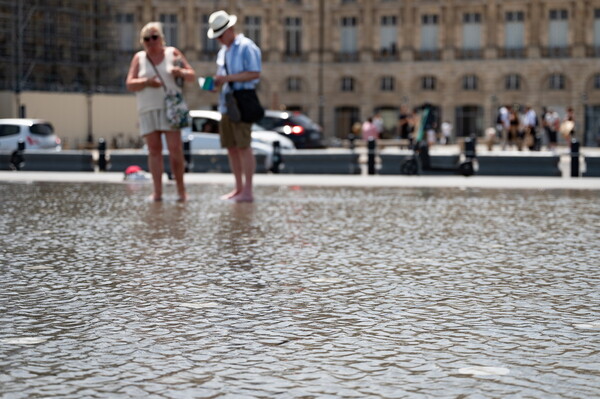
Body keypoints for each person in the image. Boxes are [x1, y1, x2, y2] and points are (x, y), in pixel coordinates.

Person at [126, 22, 195, 202]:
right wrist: (147, 82)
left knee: (175, 150)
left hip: (169, 108)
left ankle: (181, 191)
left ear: (162, 38)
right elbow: (129, 84)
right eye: (146, 38)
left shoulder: (173, 53)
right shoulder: (139, 58)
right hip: (148, 108)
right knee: (154, 151)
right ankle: (157, 192)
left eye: (154, 37)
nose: (151, 41)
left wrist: (179, 71)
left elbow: (192, 76)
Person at [209, 10, 261, 202]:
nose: (220, 39)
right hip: (227, 104)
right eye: (217, 36)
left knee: (244, 146)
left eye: (221, 35)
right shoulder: (224, 51)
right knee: (231, 147)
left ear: (230, 29)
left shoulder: (247, 46)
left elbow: (255, 72)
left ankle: (248, 190)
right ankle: (238, 188)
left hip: (242, 102)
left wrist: (227, 78)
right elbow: (223, 77)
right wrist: (216, 84)